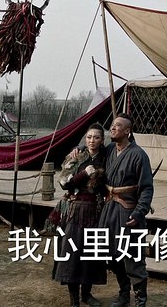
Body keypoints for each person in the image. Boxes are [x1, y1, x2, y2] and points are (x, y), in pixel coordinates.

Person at [99, 113, 153, 307]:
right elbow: (91, 151)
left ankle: (140, 300)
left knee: (132, 256)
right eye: (112, 125)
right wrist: (77, 149)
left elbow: (146, 188)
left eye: (118, 126)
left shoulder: (139, 155)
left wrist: (139, 213)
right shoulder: (109, 150)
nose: (112, 128)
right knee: (112, 255)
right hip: (109, 210)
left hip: (128, 212)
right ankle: (124, 294)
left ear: (128, 131)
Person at [53, 123, 108, 307]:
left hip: (96, 211)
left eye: (97, 137)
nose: (92, 141)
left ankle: (86, 294)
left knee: (92, 255)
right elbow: (64, 183)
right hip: (76, 210)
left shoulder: (106, 156)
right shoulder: (76, 155)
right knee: (73, 255)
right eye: (89, 137)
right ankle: (74, 299)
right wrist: (84, 173)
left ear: (102, 140)